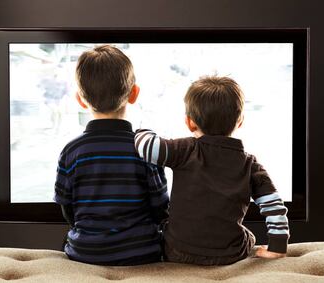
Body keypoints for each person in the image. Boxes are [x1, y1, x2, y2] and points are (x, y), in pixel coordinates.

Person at [134, 76, 290, 265]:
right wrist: (277, 248)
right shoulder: (250, 165)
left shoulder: (185, 150)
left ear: (190, 123)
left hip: (177, 251)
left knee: (167, 226)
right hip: (229, 255)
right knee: (249, 237)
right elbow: (274, 206)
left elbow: (147, 147)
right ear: (239, 121)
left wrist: (143, 131)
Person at [53, 45, 169, 265]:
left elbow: (67, 208)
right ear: (134, 94)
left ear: (80, 99)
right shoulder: (145, 148)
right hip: (141, 251)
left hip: (85, 252)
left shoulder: (71, 151)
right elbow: (160, 207)